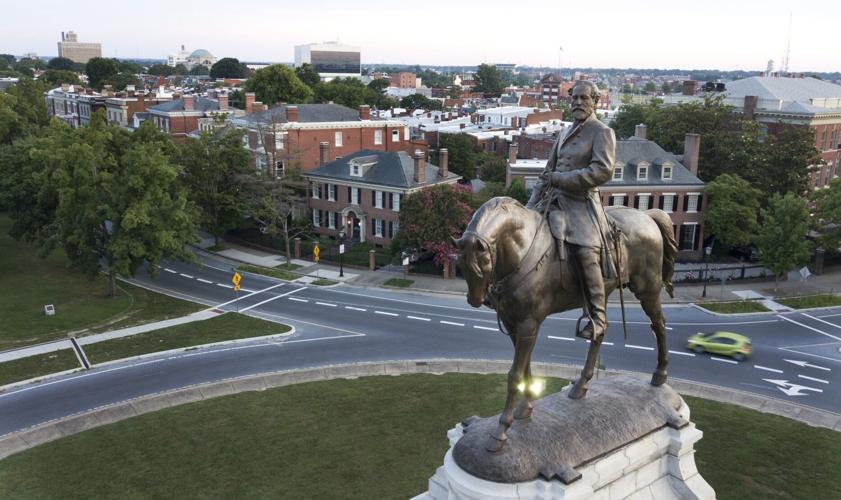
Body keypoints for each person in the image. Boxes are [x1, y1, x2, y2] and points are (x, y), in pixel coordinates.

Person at [525, 80, 616, 341]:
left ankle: (597, 317)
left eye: (584, 98)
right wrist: (530, 207)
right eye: (574, 98)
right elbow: (547, 172)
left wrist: (561, 180)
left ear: (595, 101)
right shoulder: (565, 132)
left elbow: (602, 171)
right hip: (552, 199)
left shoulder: (602, 132)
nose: (577, 103)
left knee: (587, 253)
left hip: (582, 204)